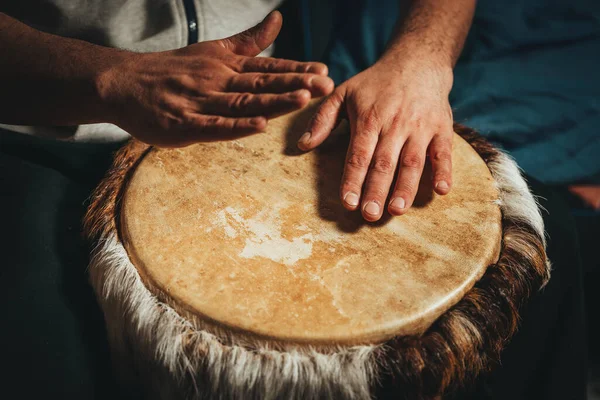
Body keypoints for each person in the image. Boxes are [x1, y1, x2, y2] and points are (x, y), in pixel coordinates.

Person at [0, 1, 587, 399]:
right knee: (41, 357)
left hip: (277, 101)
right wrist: (111, 78)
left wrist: (421, 60)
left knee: (551, 263)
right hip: (55, 120)